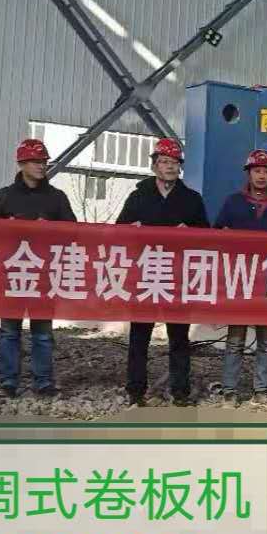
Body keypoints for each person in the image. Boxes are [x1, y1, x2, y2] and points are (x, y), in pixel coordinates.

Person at [116, 137, 209, 407]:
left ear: (180, 167)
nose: (169, 167)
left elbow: (207, 235)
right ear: (155, 166)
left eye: (174, 162)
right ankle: (135, 390)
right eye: (164, 162)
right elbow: (119, 230)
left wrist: (190, 233)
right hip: (145, 274)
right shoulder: (139, 196)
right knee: (139, 337)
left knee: (179, 337)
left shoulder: (191, 199)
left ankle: (180, 392)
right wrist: (132, 229)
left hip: (177, 276)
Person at [0, 137, 77, 398]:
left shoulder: (56, 198)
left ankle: (43, 381)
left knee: (43, 333)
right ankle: (8, 381)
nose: (41, 166)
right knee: (9, 331)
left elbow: (74, 232)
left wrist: (52, 229)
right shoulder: (4, 196)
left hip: (43, 275)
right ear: (21, 164)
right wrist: (7, 228)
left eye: (43, 161)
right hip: (12, 274)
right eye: (35, 161)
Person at [214, 149, 267, 404]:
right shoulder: (233, 203)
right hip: (240, 280)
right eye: (257, 171)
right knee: (235, 340)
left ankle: (261, 389)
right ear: (249, 173)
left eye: (266, 171)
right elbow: (216, 235)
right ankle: (230, 389)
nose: (261, 176)